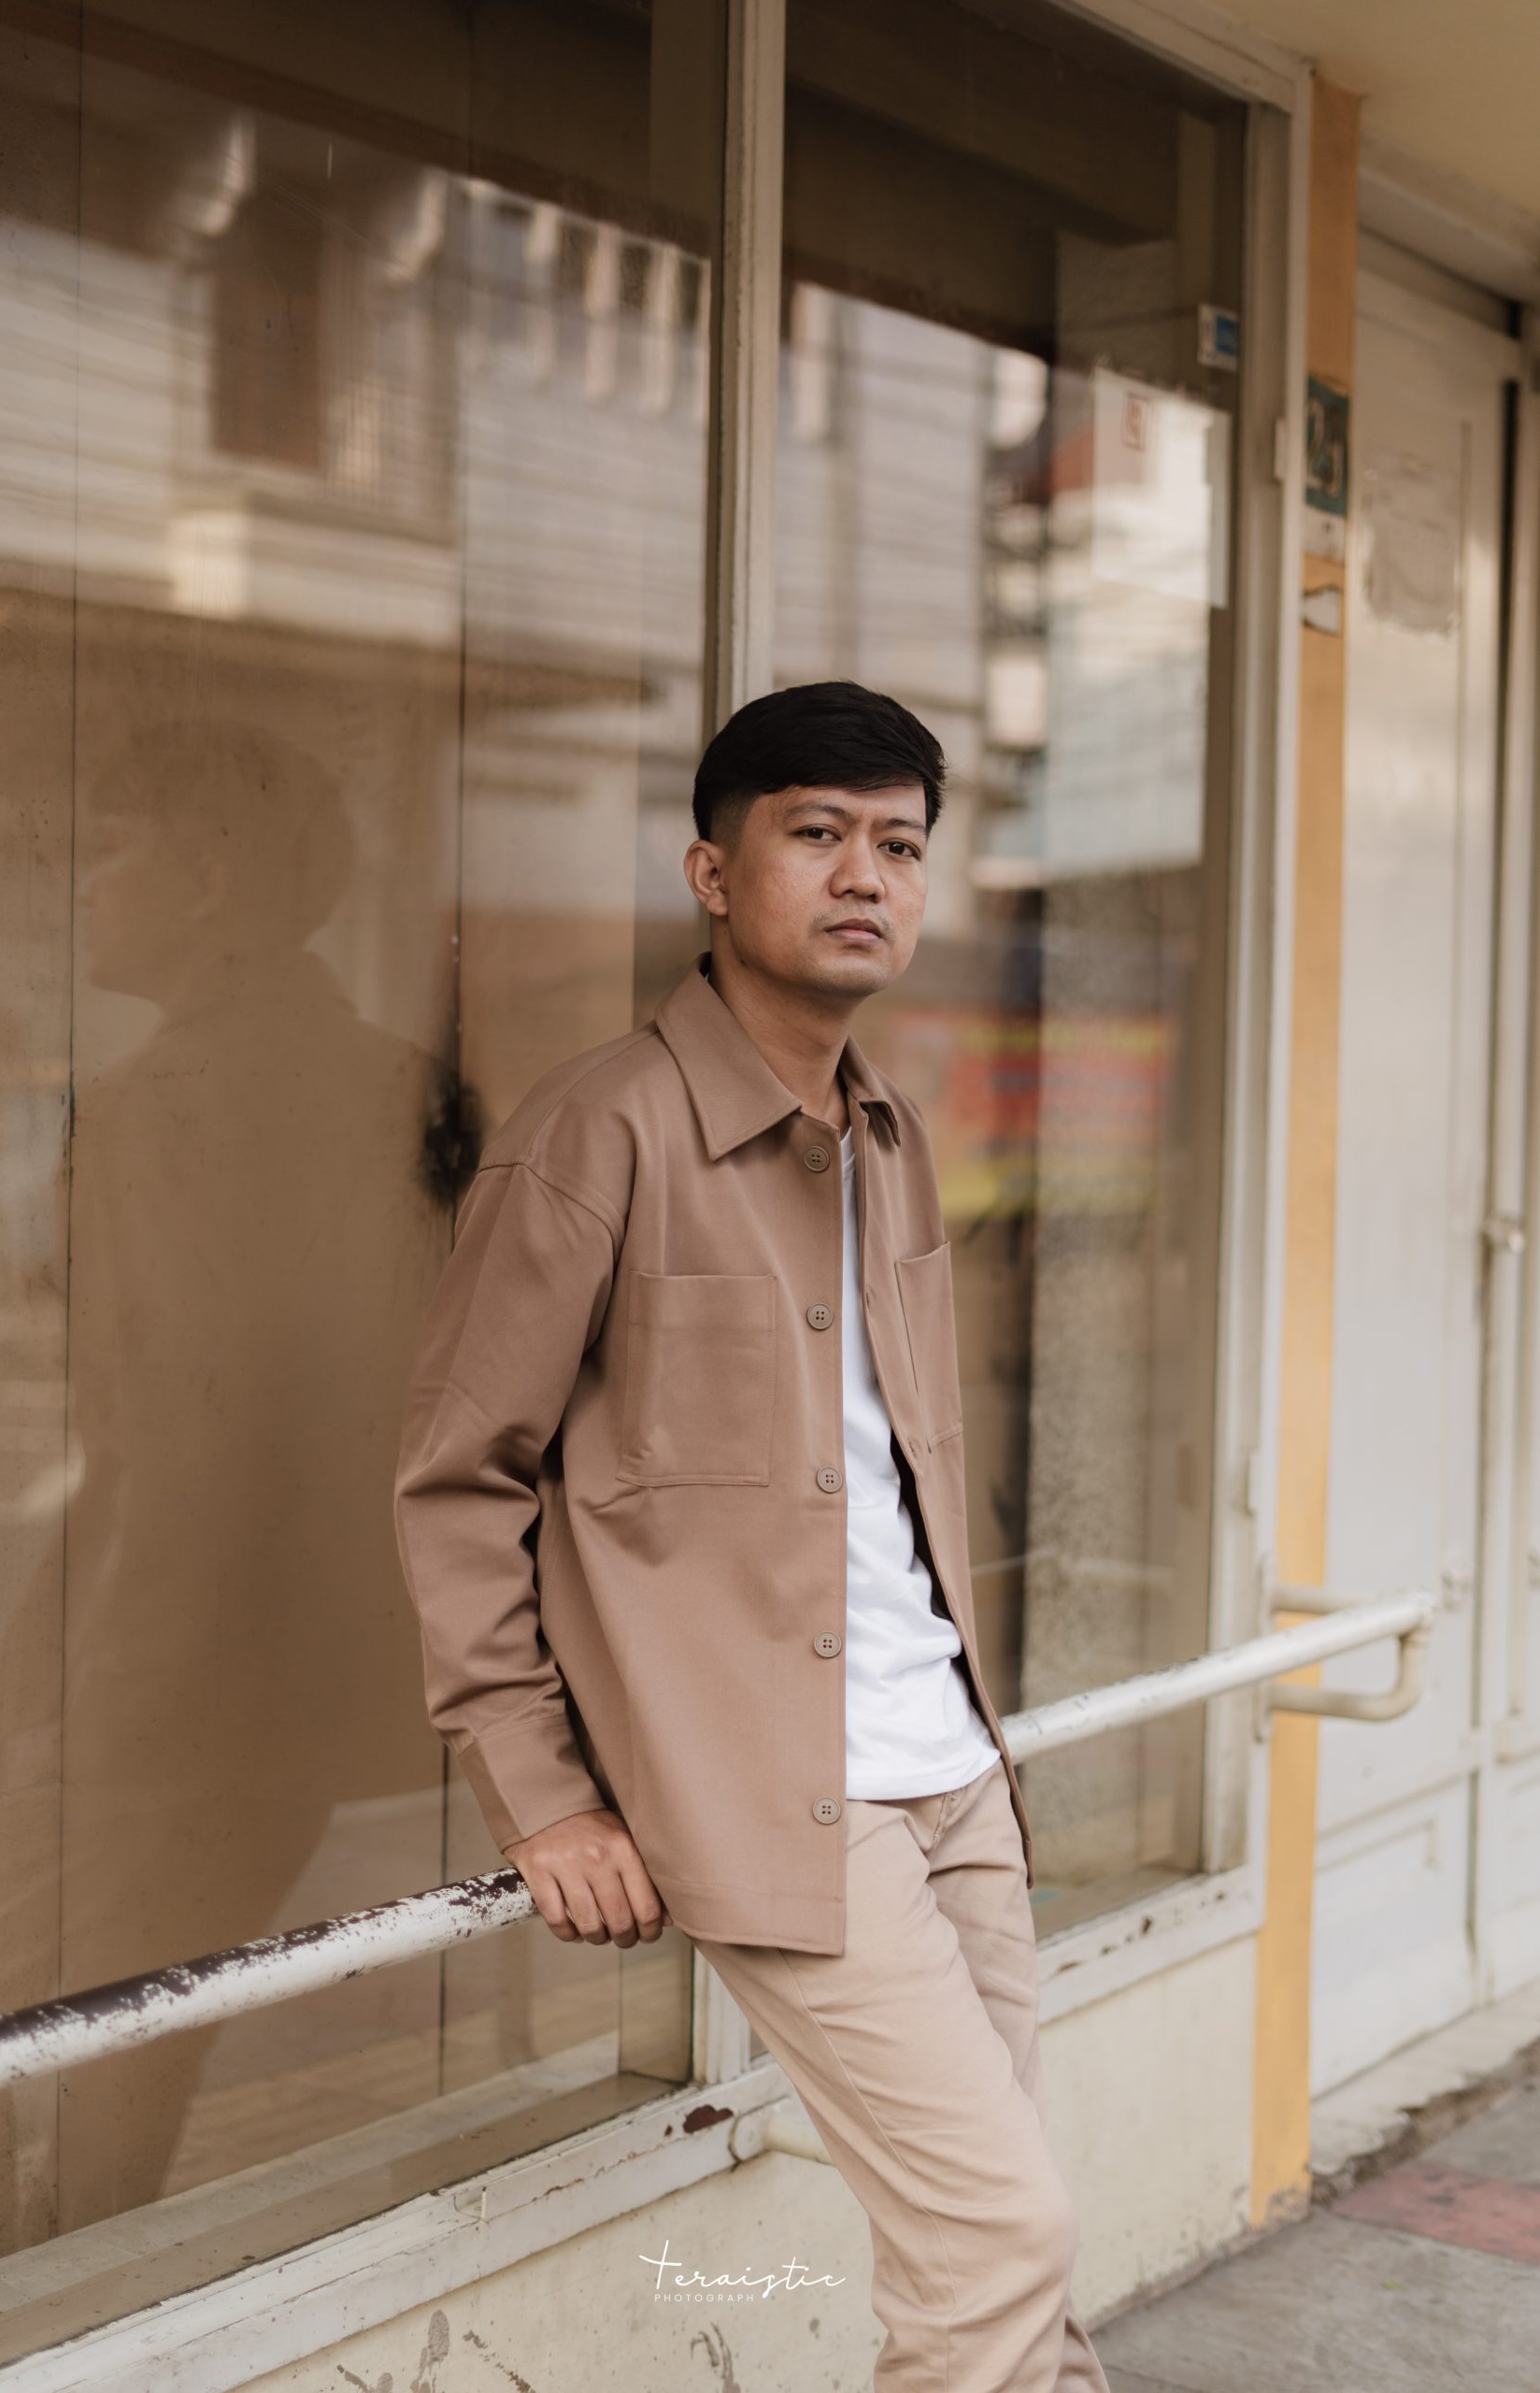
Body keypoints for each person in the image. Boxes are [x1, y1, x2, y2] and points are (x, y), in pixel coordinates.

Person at [393, 681, 1110, 2392]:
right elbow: (458, 1479)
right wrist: (544, 1789)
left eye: (901, 846)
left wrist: (975, 1760)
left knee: (1003, 2254)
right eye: (818, 834)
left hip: (955, 1775)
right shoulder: (598, 1134)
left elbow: (893, 1479)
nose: (867, 875)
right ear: (712, 874)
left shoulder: (892, 1137)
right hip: (790, 1800)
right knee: (1002, 2238)